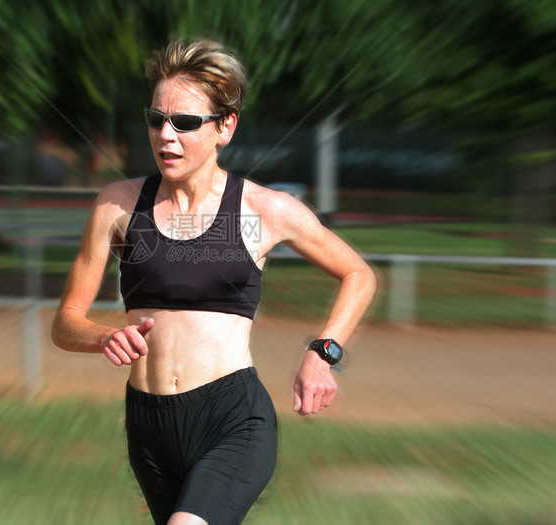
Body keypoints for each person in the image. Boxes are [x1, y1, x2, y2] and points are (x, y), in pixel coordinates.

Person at [52, 39, 376, 525]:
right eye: (156, 119)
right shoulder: (117, 207)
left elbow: (358, 273)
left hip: (232, 420)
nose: (166, 135)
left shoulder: (261, 211)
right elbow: (64, 323)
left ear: (226, 126)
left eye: (184, 122)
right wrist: (103, 336)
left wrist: (323, 352)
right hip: (149, 427)